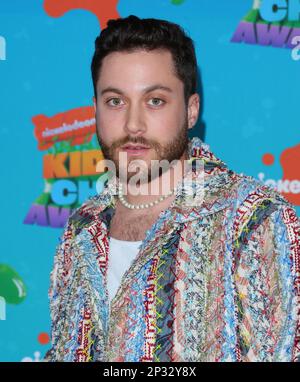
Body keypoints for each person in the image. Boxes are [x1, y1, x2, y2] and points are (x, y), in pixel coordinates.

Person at [44, 15, 300, 362]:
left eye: (155, 101)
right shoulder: (82, 228)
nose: (133, 124)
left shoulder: (254, 221)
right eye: (115, 101)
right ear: (95, 109)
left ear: (191, 110)